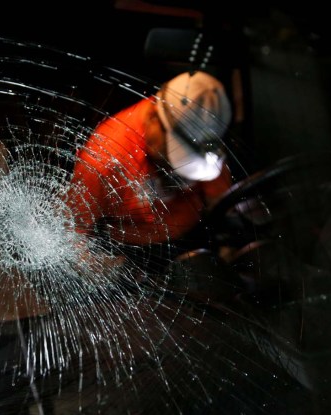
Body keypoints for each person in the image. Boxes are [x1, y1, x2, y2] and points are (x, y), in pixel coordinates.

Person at [66, 71, 233, 272]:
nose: (174, 166)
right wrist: (102, 271)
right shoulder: (103, 159)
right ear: (154, 118)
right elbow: (74, 232)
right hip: (132, 255)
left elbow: (220, 197)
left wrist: (228, 241)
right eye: (173, 153)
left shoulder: (198, 123)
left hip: (194, 235)